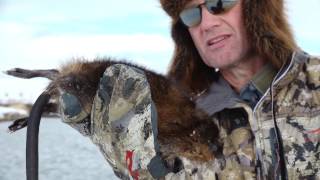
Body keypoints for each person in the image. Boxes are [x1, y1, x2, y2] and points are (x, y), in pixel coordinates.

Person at [159, 0, 320, 179]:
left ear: (257, 8)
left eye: (219, 3)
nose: (207, 24)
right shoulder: (182, 128)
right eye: (191, 14)